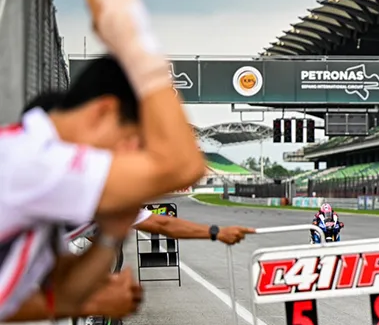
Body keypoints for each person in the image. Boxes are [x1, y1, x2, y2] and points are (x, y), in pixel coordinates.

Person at [0, 0, 206, 322]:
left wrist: (112, 233)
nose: (129, 154)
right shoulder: (35, 159)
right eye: (130, 140)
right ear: (104, 111)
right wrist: (134, 41)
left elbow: (64, 295)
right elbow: (183, 167)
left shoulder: (35, 159)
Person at [23, 91, 256, 248]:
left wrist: (216, 232)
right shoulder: (87, 178)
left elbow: (161, 223)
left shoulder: (98, 184)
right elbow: (161, 222)